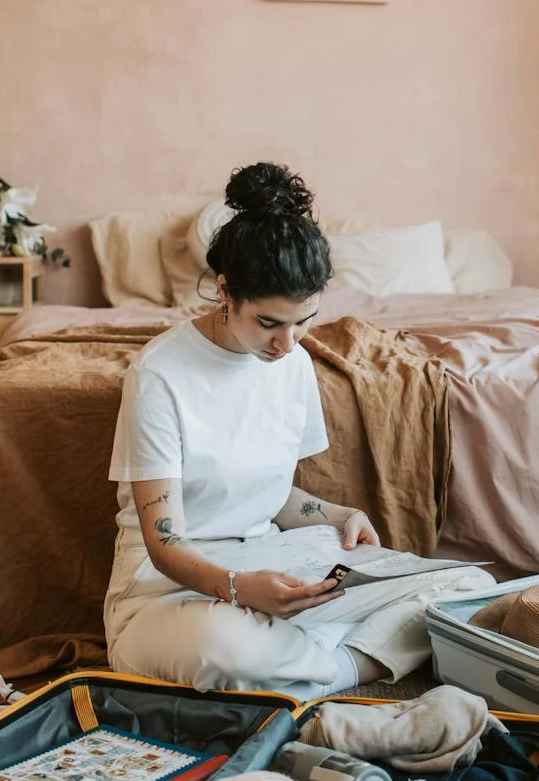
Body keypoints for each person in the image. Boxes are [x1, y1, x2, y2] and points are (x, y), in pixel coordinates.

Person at [104, 162, 493, 698]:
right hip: (168, 589)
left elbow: (265, 493)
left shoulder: (294, 364)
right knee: (228, 648)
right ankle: (347, 662)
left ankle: (298, 670)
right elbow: (163, 542)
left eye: (303, 320)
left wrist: (339, 514)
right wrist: (239, 590)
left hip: (273, 566)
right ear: (224, 291)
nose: (286, 343)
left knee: (471, 588)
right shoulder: (159, 375)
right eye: (268, 322)